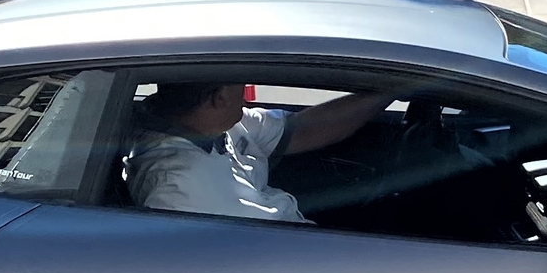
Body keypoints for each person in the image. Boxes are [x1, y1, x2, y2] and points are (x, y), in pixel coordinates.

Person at [126, 81, 388, 223]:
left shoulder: (214, 123)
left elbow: (301, 129)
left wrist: (389, 91)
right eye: (241, 84)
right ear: (219, 97)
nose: (247, 96)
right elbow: (268, 254)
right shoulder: (181, 185)